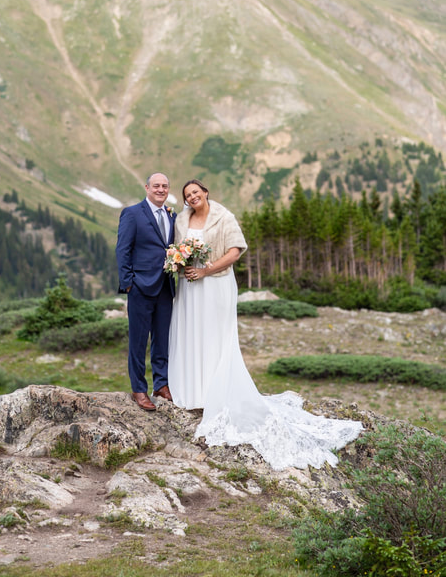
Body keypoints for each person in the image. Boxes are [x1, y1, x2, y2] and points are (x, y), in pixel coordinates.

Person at [168, 179, 362, 470]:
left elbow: (235, 251)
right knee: (191, 334)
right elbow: (177, 249)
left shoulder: (224, 216)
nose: (193, 197)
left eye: (196, 192)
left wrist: (206, 270)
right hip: (189, 287)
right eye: (188, 195)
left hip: (215, 285)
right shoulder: (182, 219)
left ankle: (214, 390)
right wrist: (181, 264)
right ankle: (192, 389)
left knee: (214, 336)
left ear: (206, 192)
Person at [116, 173, 176, 411]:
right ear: (147, 188)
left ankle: (161, 384)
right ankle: (139, 389)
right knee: (138, 341)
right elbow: (123, 249)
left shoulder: (171, 214)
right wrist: (128, 283)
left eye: (165, 186)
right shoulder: (132, 213)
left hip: (165, 285)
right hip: (140, 286)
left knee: (162, 339)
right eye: (156, 186)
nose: (161, 189)